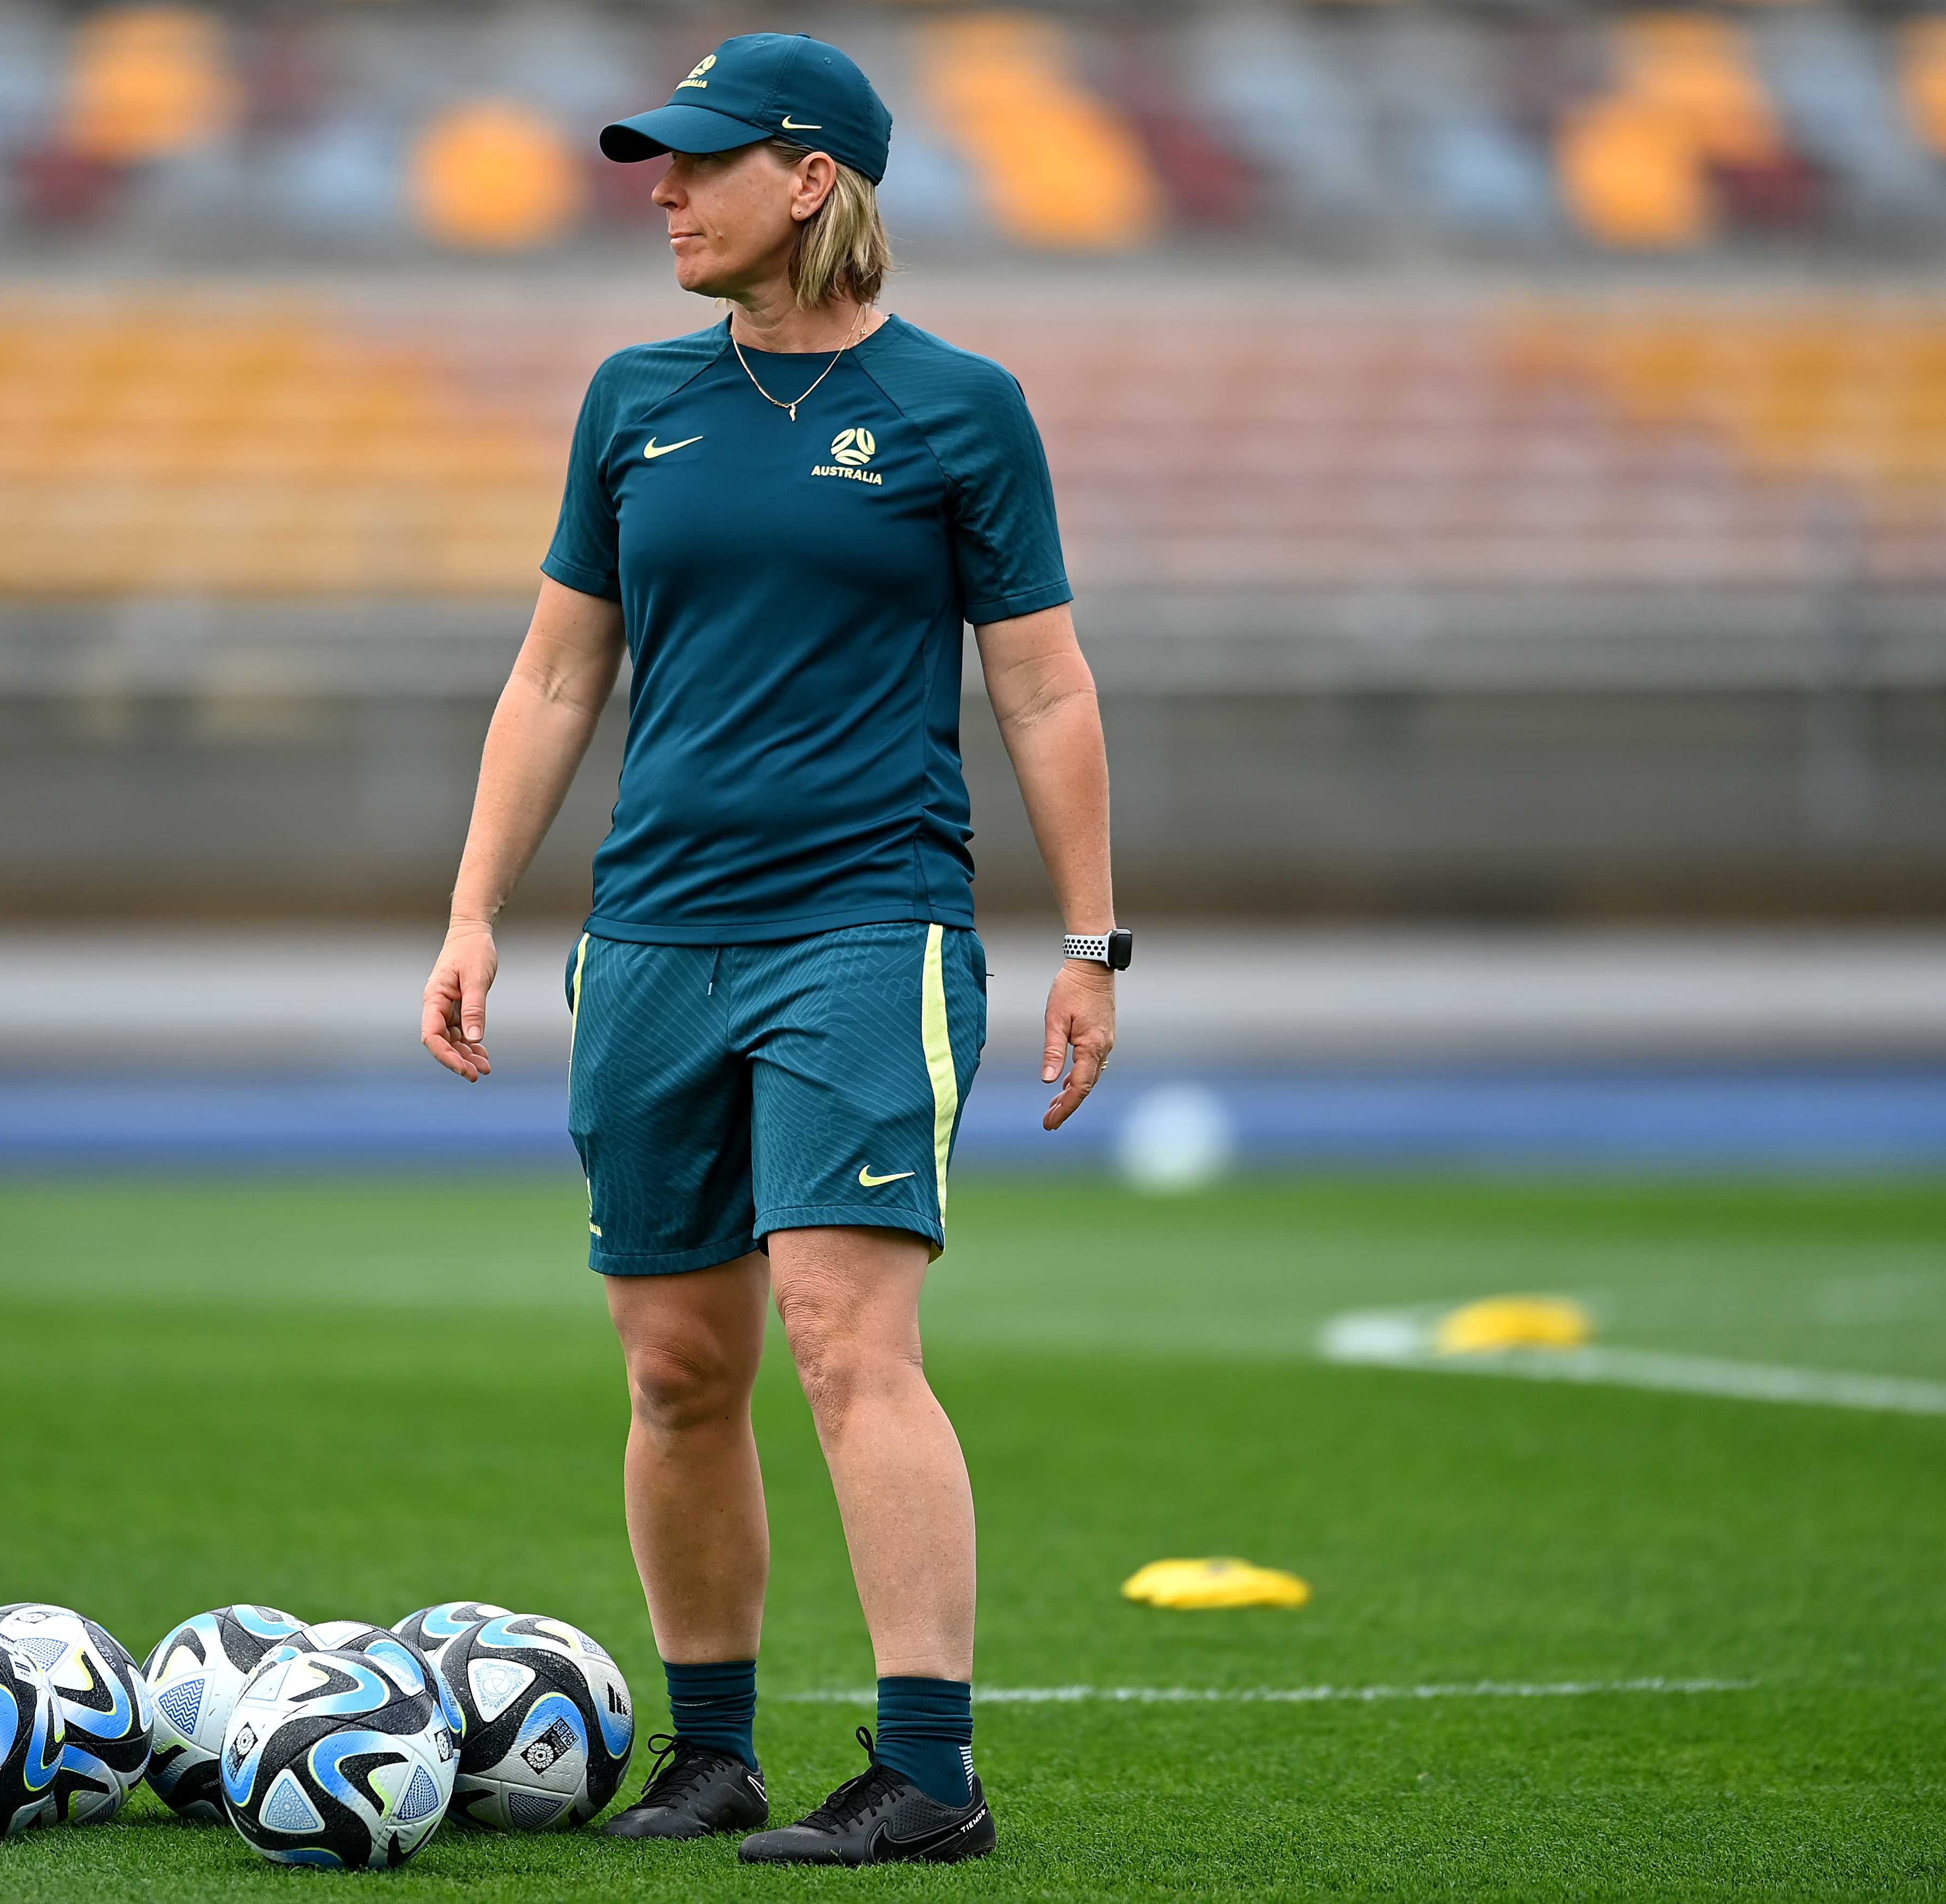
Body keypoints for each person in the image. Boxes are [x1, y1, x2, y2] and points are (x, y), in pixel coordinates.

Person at [418, 30, 1125, 1867]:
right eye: (657, 160)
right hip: (651, 935)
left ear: (810, 180)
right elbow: (555, 675)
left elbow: (1042, 688)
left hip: (864, 926)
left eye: (701, 161)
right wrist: (475, 905)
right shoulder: (632, 399)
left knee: (840, 1334)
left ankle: (928, 1771)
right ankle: (712, 1751)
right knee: (675, 1365)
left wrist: (1091, 940)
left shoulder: (959, 408)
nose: (661, 189)